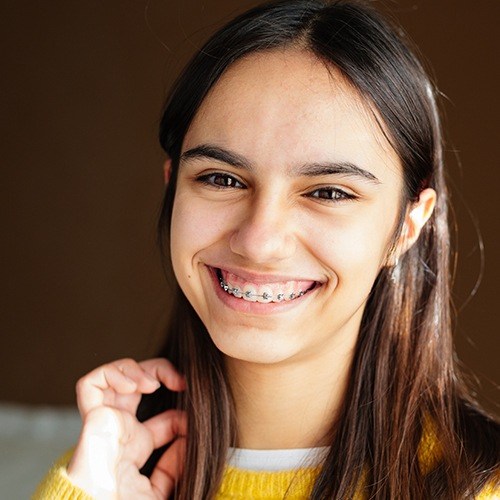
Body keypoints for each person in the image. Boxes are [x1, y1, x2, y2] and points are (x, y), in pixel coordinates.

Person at [34, 0, 499, 498]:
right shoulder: (102, 474)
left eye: (328, 192)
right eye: (221, 178)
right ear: (173, 189)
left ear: (407, 225)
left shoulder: (479, 487)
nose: (259, 240)